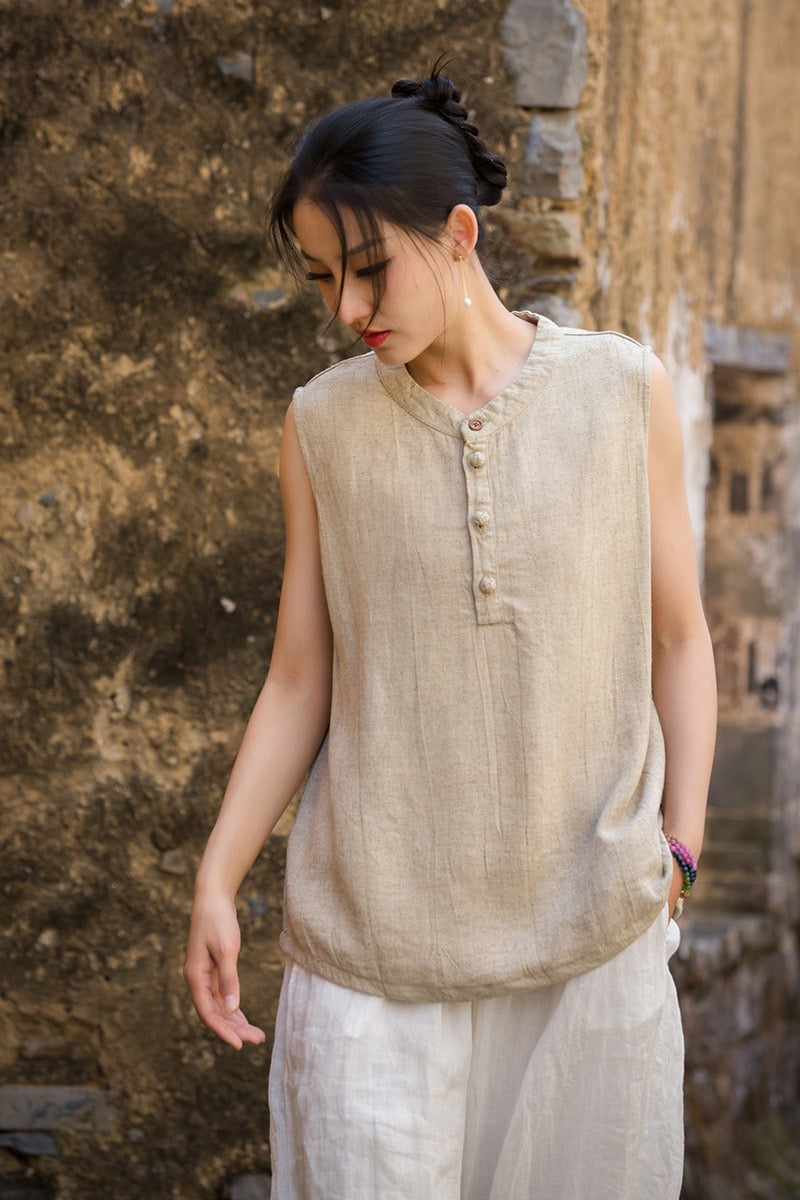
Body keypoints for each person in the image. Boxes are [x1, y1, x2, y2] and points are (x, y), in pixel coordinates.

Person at [184, 67, 718, 1200]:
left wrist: (679, 848)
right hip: (372, 962)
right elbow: (299, 680)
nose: (346, 308)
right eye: (322, 278)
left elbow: (678, 638)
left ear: (460, 234)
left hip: (591, 949)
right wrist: (217, 878)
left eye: (367, 268)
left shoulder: (623, 392)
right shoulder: (321, 424)